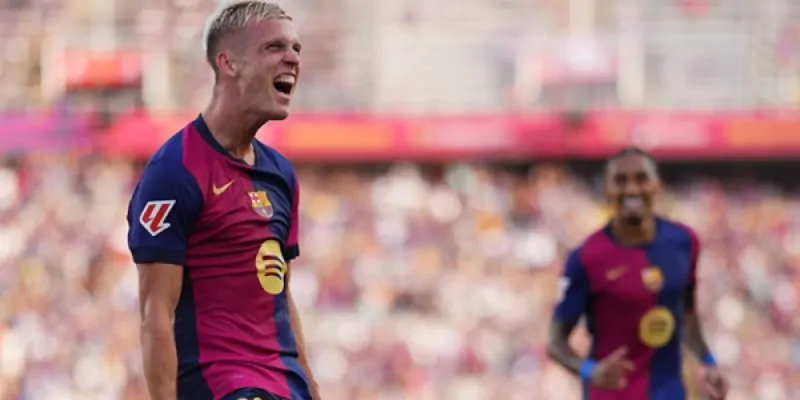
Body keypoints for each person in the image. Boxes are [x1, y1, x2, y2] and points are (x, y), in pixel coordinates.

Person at [126, 2, 319, 400]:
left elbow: (280, 295)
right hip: (221, 386)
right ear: (229, 63)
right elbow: (156, 313)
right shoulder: (174, 171)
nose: (293, 58)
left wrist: (312, 389)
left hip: (284, 385)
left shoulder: (280, 173)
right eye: (274, 47)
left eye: (296, 48)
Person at [547, 147, 728, 400]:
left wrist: (708, 361)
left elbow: (687, 315)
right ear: (607, 189)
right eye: (621, 181)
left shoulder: (684, 242)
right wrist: (591, 371)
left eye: (641, 179)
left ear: (657, 185)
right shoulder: (586, 258)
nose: (632, 190)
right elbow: (556, 344)